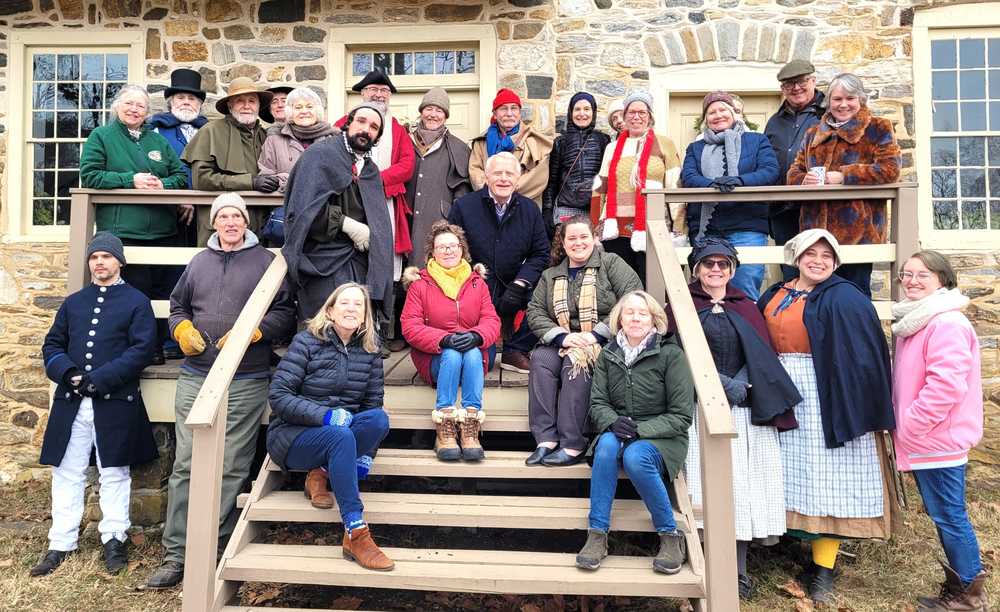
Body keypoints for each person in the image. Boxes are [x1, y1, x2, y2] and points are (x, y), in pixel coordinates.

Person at [145, 193, 295, 589]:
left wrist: (256, 333)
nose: (230, 223)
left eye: (237, 216)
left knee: (230, 466)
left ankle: (214, 549)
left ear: (246, 222)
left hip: (245, 378)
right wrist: (181, 330)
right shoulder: (199, 262)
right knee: (186, 466)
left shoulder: (266, 262)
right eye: (223, 216)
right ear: (214, 223)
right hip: (196, 375)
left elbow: (285, 312)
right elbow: (178, 307)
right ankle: (177, 553)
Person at [758, 229, 895, 604]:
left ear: (835, 262)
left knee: (827, 474)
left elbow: (865, 356)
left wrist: (860, 402)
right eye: (810, 254)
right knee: (787, 469)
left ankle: (824, 568)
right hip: (780, 389)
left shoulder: (847, 298)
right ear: (796, 258)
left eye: (826, 256)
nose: (818, 261)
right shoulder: (775, 294)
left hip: (828, 396)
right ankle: (788, 544)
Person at [679, 237, 801, 600]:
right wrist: (719, 385)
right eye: (708, 264)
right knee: (701, 488)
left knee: (740, 489)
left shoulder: (745, 305)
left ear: (732, 269)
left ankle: (738, 571)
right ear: (696, 268)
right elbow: (677, 351)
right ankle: (701, 566)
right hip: (700, 408)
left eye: (722, 264)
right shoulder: (682, 305)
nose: (715, 270)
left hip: (742, 410)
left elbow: (761, 351)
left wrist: (742, 383)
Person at [31, 232, 157, 577]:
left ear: (119, 262)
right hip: (72, 401)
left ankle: (114, 538)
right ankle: (61, 542)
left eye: (106, 257)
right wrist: (69, 373)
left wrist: (99, 380)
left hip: (114, 400)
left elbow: (142, 350)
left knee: (114, 471)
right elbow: (52, 346)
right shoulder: (74, 302)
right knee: (66, 471)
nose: (99, 262)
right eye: (94, 257)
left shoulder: (136, 302)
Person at [267, 283, 394, 571]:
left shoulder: (371, 351)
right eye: (344, 303)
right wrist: (324, 416)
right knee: (339, 436)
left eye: (358, 305)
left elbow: (372, 406)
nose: (351, 309)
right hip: (292, 435)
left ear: (365, 316)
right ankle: (356, 531)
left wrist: (367, 453)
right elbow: (279, 396)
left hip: (340, 434)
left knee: (379, 419)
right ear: (330, 310)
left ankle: (320, 474)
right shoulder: (306, 342)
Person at [891, 251, 988, 611]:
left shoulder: (946, 323)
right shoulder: (917, 320)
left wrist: (912, 424)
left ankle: (969, 597)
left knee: (950, 515)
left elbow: (946, 386)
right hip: (925, 440)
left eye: (923, 275)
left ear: (942, 280)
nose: (912, 280)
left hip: (936, 440)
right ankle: (960, 589)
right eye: (907, 274)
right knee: (944, 515)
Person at [575, 291, 693, 575]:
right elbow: (598, 402)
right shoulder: (608, 354)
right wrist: (612, 422)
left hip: (662, 436)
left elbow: (681, 416)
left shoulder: (670, 355)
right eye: (630, 312)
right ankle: (597, 534)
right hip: (619, 428)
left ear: (654, 319)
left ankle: (670, 535)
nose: (636, 318)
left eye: (643, 313)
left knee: (636, 457)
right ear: (620, 318)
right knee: (604, 446)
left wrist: (641, 430)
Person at [79, 84, 189, 365]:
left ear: (147, 112)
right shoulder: (101, 136)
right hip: (124, 231)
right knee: (136, 296)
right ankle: (143, 348)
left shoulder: (157, 141)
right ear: (117, 107)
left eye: (140, 105)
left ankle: (163, 345)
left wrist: (163, 184)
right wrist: (131, 180)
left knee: (167, 293)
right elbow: (90, 176)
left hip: (165, 230)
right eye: (128, 103)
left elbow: (179, 176)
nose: (134, 109)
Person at [525, 215, 641, 466]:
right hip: (563, 340)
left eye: (583, 237)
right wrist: (564, 337)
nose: (578, 243)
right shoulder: (550, 275)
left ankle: (573, 443)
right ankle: (545, 438)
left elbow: (631, 300)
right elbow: (535, 311)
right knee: (540, 360)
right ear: (563, 244)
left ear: (595, 238)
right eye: (572, 239)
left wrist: (595, 334)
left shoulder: (611, 264)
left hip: (603, 340)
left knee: (574, 366)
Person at [787, 73, 901, 297]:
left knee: (855, 297)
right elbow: (793, 172)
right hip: (815, 233)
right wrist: (803, 179)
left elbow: (891, 170)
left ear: (861, 99)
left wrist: (845, 176)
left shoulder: (878, 128)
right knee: (815, 297)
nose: (843, 105)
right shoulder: (813, 134)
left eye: (850, 98)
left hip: (858, 232)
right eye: (837, 99)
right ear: (829, 101)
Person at [282, 103, 394, 325]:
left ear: (378, 137)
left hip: (359, 263)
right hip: (323, 261)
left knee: (357, 326)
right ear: (347, 123)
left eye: (374, 127)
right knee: (323, 328)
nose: (366, 129)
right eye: (361, 121)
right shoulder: (320, 155)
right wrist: (346, 224)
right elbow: (302, 209)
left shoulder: (370, 170)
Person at [400, 221, 500, 461]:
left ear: (462, 249)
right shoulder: (420, 285)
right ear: (432, 252)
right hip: (435, 357)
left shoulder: (477, 282)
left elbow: (492, 320)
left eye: (453, 246)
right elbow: (410, 326)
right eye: (441, 247)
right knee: (453, 354)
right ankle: (444, 423)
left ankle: (470, 424)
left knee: (473, 352)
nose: (448, 251)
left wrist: (476, 335)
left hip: (475, 354)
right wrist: (444, 339)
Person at [335, 70, 416, 351]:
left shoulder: (397, 129)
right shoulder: (342, 125)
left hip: (385, 204)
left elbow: (407, 165)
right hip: (351, 205)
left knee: (387, 265)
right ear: (362, 94)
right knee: (353, 265)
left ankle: (383, 331)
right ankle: (352, 330)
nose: (379, 94)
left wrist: (374, 181)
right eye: (373, 90)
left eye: (384, 90)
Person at [448, 152, 549, 374]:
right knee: (486, 357)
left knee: (547, 298)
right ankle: (485, 346)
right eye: (497, 173)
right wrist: (475, 276)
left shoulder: (530, 209)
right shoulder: (464, 206)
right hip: (477, 281)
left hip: (517, 279)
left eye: (509, 173)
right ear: (486, 176)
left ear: (518, 178)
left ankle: (515, 350)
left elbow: (540, 253)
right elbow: (453, 251)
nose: (504, 178)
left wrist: (521, 282)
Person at [681, 91, 779, 301]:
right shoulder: (696, 148)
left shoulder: (756, 140)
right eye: (711, 112)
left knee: (745, 288)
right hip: (707, 228)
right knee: (707, 290)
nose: (718, 115)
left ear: (734, 112)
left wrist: (740, 182)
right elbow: (688, 177)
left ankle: (745, 330)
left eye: (722, 109)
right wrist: (712, 185)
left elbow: (770, 171)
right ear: (705, 119)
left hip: (747, 225)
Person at [593, 91, 683, 281]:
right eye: (631, 112)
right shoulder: (612, 148)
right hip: (616, 229)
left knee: (653, 283)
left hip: (653, 226)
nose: (636, 117)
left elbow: (675, 186)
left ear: (650, 116)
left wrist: (680, 227)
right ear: (624, 116)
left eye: (642, 112)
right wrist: (596, 226)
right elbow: (600, 188)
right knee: (621, 285)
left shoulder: (664, 144)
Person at [182, 77, 276, 245]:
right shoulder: (210, 132)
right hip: (222, 228)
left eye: (252, 101)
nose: (247, 106)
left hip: (259, 225)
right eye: (240, 101)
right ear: (230, 105)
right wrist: (250, 182)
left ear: (259, 106)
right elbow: (202, 179)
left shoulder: (265, 136)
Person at [764, 60, 825, 280]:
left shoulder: (828, 114)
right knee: (791, 271)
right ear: (782, 89)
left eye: (801, 81)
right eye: (789, 84)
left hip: (818, 208)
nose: (796, 88)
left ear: (813, 81)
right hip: (783, 209)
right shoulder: (774, 122)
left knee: (819, 269)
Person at [257, 87, 336, 246]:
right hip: (286, 219)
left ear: (317, 110)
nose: (304, 111)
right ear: (290, 112)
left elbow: (338, 177)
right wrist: (295, 181)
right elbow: (266, 176)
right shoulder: (274, 140)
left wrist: (291, 180)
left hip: (324, 217)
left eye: (309, 106)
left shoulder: (333, 139)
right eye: (298, 107)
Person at [405, 87, 472, 266]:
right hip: (404, 217)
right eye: (429, 109)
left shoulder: (459, 148)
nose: (433, 114)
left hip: (439, 220)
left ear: (446, 116)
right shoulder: (404, 140)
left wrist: (451, 222)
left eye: (439, 110)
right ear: (421, 112)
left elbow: (463, 190)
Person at [542, 92, 611, 239]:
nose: (582, 114)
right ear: (570, 112)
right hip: (566, 208)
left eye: (587, 109)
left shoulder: (603, 140)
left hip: (593, 209)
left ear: (593, 112)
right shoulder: (561, 142)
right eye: (577, 109)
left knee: (590, 254)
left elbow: (608, 178)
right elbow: (552, 181)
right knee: (562, 252)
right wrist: (547, 210)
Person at [469, 88, 553, 207]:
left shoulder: (535, 141)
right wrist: (492, 191)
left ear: (519, 113)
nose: (509, 113)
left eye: (514, 108)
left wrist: (503, 192)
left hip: (523, 208)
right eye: (503, 108)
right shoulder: (481, 143)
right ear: (495, 114)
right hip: (488, 207)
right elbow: (475, 172)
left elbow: (538, 178)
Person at [149, 68, 208, 190]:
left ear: (199, 104)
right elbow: (153, 168)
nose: (186, 102)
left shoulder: (209, 131)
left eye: (191, 98)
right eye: (180, 98)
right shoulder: (156, 130)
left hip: (205, 201)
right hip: (169, 200)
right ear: (171, 103)